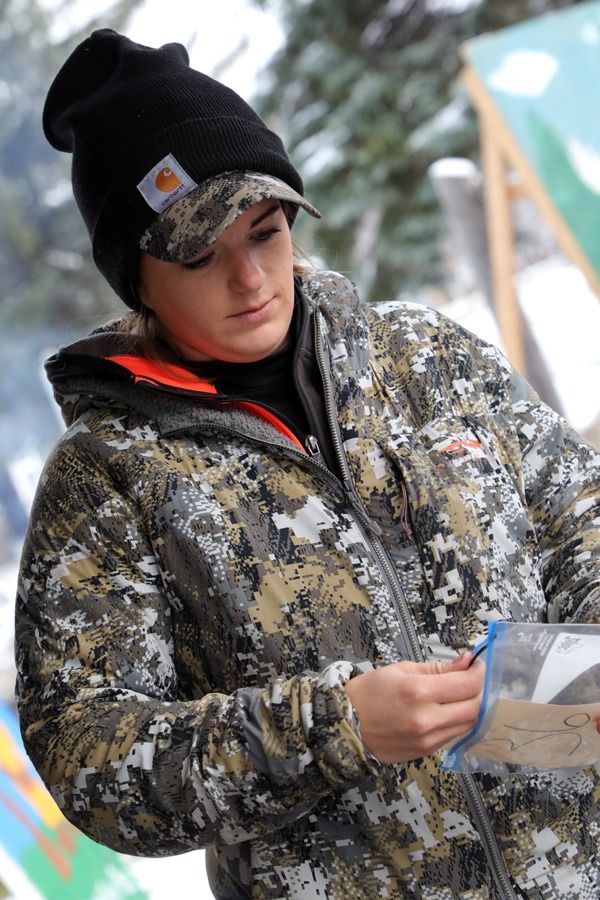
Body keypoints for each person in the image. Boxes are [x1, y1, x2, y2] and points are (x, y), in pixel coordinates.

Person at [14, 27, 600, 899]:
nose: (252, 279)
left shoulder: (423, 357)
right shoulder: (108, 480)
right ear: (137, 279)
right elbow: (88, 755)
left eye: (266, 231)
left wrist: (583, 667)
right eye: (200, 256)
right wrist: (332, 728)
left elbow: (580, 521)